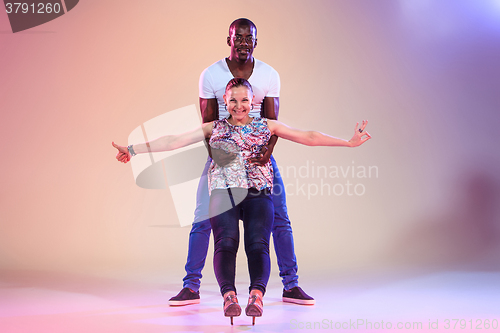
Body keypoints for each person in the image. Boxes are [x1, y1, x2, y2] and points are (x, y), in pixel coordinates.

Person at [112, 78, 371, 324]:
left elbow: (309, 137)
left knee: (258, 244)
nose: (239, 106)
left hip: (257, 192)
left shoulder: (267, 125)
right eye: (233, 101)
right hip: (223, 193)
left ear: (253, 101)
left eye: (244, 100)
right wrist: (133, 150)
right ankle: (229, 297)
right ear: (225, 100)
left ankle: (256, 296)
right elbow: (173, 141)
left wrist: (348, 143)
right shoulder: (214, 128)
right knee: (225, 243)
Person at [169, 17, 316, 307]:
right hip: (223, 155)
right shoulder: (211, 74)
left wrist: (267, 154)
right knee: (202, 219)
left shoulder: (269, 74)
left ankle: (291, 284)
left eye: (249, 38)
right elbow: (208, 123)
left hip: (259, 157)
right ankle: (191, 286)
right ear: (229, 40)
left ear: (256, 42)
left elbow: (272, 122)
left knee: (280, 219)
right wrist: (221, 160)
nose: (243, 42)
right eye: (238, 37)